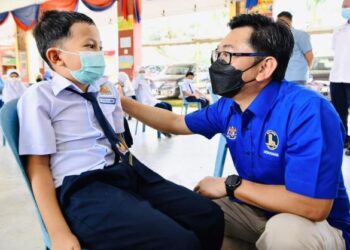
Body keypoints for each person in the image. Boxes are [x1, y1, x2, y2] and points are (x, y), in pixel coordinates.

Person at [121, 14, 349, 250]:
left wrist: (231, 185)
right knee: (190, 212)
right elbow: (176, 122)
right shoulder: (228, 107)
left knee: (285, 232)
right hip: (258, 211)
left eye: (228, 55)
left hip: (319, 226)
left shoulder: (307, 110)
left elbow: (313, 205)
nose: (219, 63)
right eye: (218, 54)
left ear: (264, 67)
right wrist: (121, 102)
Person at [18, 10, 223, 250]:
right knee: (178, 242)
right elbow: (38, 167)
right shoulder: (40, 97)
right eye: (90, 46)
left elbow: (118, 140)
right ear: (56, 56)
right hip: (83, 187)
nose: (99, 54)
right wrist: (58, 232)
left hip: (123, 171)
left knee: (209, 216)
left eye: (100, 47)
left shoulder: (105, 89)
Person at [330, 0, 350, 156]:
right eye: (344, 6)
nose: (345, 9)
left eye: (348, 6)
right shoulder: (338, 30)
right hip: (337, 77)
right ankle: (343, 139)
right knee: (339, 111)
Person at [133, 67, 173, 137]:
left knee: (168, 105)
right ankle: (162, 129)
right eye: (141, 72)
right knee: (163, 107)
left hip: (152, 101)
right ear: (138, 72)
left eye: (143, 71)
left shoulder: (146, 80)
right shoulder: (136, 80)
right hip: (145, 103)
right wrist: (138, 80)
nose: (142, 73)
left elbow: (154, 87)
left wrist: (151, 81)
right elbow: (134, 88)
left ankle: (169, 126)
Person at [277, 11, 314, 85]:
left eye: (283, 21)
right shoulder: (279, 37)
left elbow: (309, 56)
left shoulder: (300, 35)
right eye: (278, 22)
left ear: (290, 22)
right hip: (283, 77)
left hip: (297, 77)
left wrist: (305, 71)